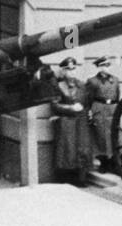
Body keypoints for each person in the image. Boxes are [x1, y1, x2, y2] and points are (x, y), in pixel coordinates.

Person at [51, 57, 93, 186]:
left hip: (81, 122)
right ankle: (65, 179)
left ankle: (81, 179)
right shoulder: (58, 86)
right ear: (63, 71)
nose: (71, 72)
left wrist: (89, 111)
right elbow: (54, 105)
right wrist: (70, 108)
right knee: (66, 150)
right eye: (68, 69)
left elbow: (87, 102)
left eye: (73, 69)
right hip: (66, 121)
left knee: (82, 149)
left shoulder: (82, 85)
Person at [85, 57, 119, 172]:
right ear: (99, 67)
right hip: (99, 108)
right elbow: (88, 99)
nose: (107, 68)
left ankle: (114, 161)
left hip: (112, 109)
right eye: (104, 66)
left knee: (113, 134)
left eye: (109, 65)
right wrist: (90, 112)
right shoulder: (93, 81)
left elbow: (118, 96)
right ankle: (103, 162)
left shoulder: (115, 80)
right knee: (101, 136)